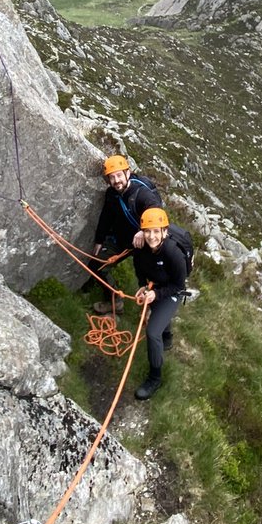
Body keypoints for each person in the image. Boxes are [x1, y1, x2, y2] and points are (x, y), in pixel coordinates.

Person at [91, 154, 162, 312]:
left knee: (149, 278)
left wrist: (143, 231)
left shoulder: (141, 193)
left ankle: (153, 313)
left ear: (127, 173)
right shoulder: (112, 194)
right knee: (98, 265)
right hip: (123, 241)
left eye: (118, 175)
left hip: (145, 241)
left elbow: (156, 211)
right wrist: (99, 241)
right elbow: (106, 217)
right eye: (112, 177)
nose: (116, 180)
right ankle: (114, 300)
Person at [131, 207, 187, 400]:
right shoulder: (140, 248)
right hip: (154, 287)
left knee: (152, 332)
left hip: (171, 291)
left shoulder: (173, 253)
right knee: (158, 313)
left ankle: (155, 378)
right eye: (148, 231)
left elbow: (179, 285)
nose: (152, 236)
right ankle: (168, 337)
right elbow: (138, 268)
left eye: (156, 231)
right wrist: (142, 286)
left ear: (164, 232)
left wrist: (157, 294)